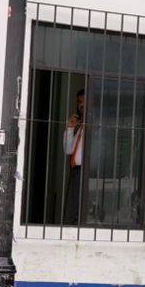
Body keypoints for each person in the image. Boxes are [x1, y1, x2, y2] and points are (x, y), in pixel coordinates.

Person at [62, 88, 86, 225]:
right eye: (79, 102)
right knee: (74, 208)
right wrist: (70, 128)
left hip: (88, 172)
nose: (81, 105)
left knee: (82, 210)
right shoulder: (80, 125)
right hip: (77, 171)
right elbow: (68, 150)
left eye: (84, 101)